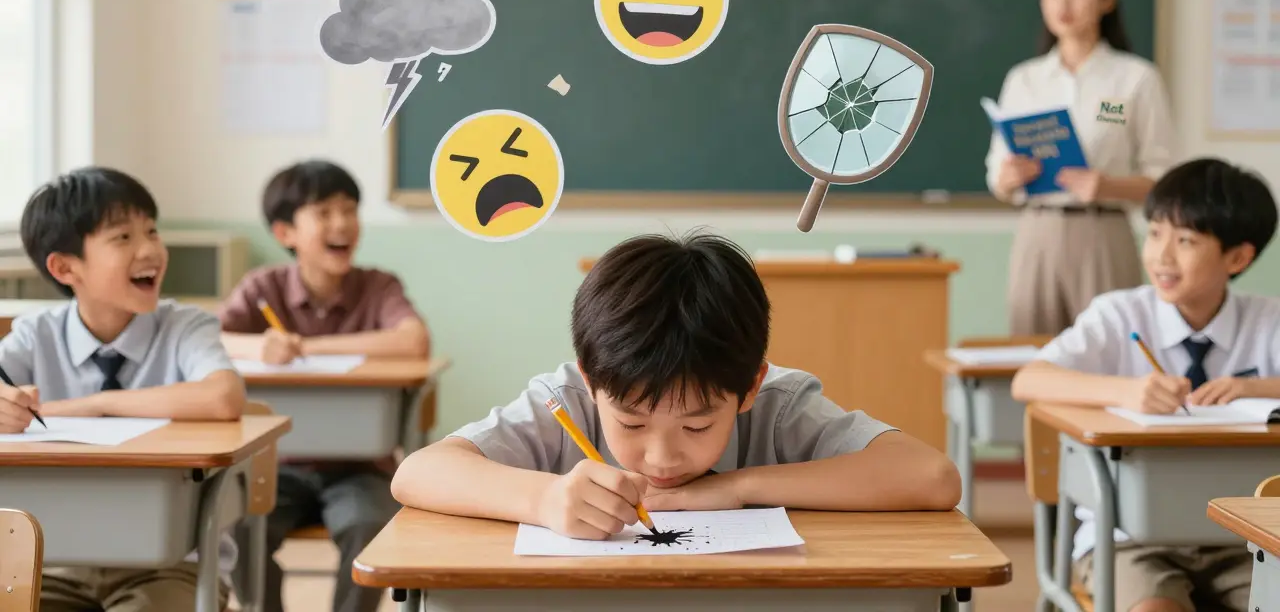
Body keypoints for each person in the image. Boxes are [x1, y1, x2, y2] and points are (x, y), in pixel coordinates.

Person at [391, 231, 960, 535]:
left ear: (750, 387)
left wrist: (739, 487)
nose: (661, 457)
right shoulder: (566, 401)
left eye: (697, 426)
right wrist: (542, 499)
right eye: (631, 422)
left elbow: (932, 477)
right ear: (591, 380)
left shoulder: (779, 407)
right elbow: (417, 472)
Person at [1011, 158, 1279, 612]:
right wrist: (1126, 391)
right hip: (1128, 540)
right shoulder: (1119, 314)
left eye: (1185, 240)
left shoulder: (1268, 321)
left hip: (1244, 539)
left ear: (1238, 257)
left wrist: (1262, 388)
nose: (1161, 255)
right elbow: (1029, 379)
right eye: (1154, 233)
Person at [0, 166, 246, 611]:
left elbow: (222, 397)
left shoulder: (185, 327)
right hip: (53, 563)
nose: (150, 249)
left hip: (172, 564)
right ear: (64, 267)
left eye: (151, 231)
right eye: (123, 238)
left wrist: (95, 405)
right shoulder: (35, 334)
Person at [219, 159, 429, 612]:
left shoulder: (378, 286)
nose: (342, 223)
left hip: (359, 469)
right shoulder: (261, 287)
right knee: (236, 525)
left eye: (350, 210)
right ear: (285, 232)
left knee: (371, 524)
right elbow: (210, 340)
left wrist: (308, 347)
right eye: (324, 212)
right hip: (275, 468)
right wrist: (259, 347)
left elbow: (413, 340)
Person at [985, 0, 1178, 336]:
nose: (1063, 3)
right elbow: (996, 176)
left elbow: (1165, 180)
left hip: (1103, 230)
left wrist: (1108, 186)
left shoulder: (1135, 78)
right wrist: (1007, 179)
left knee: (1109, 348)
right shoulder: (1024, 79)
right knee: (1032, 352)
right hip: (1037, 231)